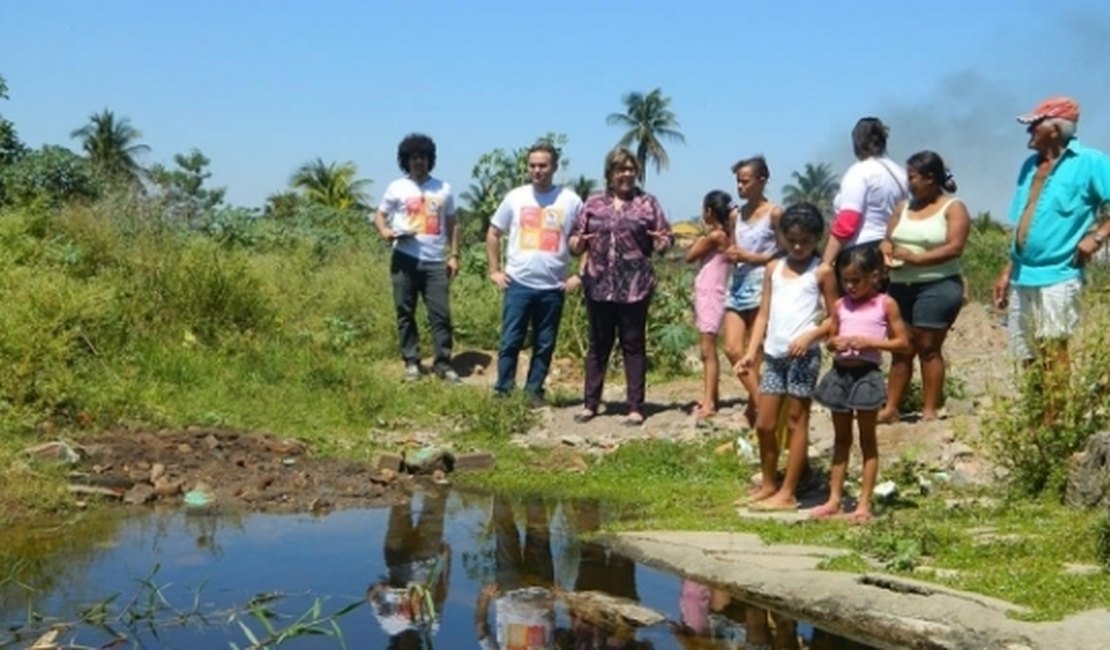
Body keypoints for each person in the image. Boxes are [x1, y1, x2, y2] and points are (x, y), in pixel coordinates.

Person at [993, 96, 1110, 399]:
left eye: (1035, 124)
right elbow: (1021, 220)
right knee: (1027, 349)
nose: (1029, 131)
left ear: (1055, 129)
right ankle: (1037, 414)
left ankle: (1054, 420)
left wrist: (1097, 237)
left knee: (1053, 345)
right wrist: (1007, 271)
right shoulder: (1029, 167)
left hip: (1060, 272)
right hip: (1022, 274)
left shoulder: (1090, 162)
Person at [737, 203, 838, 511]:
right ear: (782, 236)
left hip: (803, 357)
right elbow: (764, 313)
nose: (797, 247)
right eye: (791, 239)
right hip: (774, 355)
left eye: (804, 241)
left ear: (816, 239)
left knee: (797, 422)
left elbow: (835, 318)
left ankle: (788, 492)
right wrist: (751, 352)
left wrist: (810, 336)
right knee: (765, 423)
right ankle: (769, 483)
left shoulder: (821, 271)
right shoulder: (773, 269)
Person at [568, 147, 673, 426]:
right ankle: (590, 404)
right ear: (609, 174)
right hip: (599, 283)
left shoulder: (648, 203)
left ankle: (635, 407)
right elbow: (576, 240)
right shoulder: (592, 203)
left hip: (635, 285)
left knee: (633, 344)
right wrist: (577, 244)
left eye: (630, 169)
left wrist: (661, 243)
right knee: (599, 345)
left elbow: (665, 237)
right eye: (620, 169)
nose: (626, 174)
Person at [810, 245, 910, 524]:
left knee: (867, 440)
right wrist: (835, 343)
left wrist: (871, 343)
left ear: (874, 276)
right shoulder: (841, 305)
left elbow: (902, 342)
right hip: (840, 374)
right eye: (846, 280)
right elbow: (830, 339)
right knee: (841, 440)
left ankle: (863, 503)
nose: (850, 286)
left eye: (857, 280)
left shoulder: (885, 304)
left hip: (867, 375)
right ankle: (834, 499)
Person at [486, 142, 584, 406]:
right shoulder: (515, 197)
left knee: (544, 343)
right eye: (532, 165)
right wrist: (494, 270)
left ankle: (533, 392)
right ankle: (503, 391)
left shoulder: (571, 200)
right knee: (510, 340)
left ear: (554, 167)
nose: (537, 170)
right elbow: (494, 233)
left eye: (543, 165)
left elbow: (587, 239)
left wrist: (580, 275)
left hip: (553, 286)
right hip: (518, 283)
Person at [878, 151, 970, 423]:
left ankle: (929, 410)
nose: (909, 183)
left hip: (937, 285)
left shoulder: (953, 208)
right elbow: (888, 238)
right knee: (901, 348)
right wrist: (886, 251)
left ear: (930, 179)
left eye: (913, 177)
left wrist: (918, 259)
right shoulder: (903, 207)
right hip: (900, 286)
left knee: (928, 347)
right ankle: (892, 407)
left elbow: (955, 247)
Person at [374, 133, 461, 383]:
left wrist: (454, 255)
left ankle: (443, 363)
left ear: (429, 159)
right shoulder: (396, 187)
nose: (418, 162)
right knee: (405, 311)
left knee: (440, 314)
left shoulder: (443, 188)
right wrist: (385, 232)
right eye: (413, 158)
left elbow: (453, 224)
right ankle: (411, 362)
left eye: (422, 157)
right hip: (404, 258)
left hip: (435, 261)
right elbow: (380, 215)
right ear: (406, 161)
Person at [722, 156, 783, 426]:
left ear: (761, 181)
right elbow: (735, 246)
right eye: (738, 181)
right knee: (733, 348)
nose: (740, 187)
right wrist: (733, 254)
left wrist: (752, 257)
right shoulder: (736, 215)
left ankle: (755, 409)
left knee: (755, 351)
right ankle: (762, 404)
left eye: (745, 181)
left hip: (762, 283)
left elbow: (784, 251)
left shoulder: (774, 213)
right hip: (737, 284)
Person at [367, 489, 451, 646]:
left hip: (396, 558)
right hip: (427, 557)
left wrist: (383, 587)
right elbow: (441, 593)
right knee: (435, 510)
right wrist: (445, 562)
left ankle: (404, 476)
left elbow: (371, 596)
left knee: (400, 506)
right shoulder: (429, 627)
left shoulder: (389, 626)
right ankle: (438, 476)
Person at [823, 117, 908, 267]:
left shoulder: (859, 172)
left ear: (857, 143)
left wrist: (826, 262)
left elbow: (848, 221)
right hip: (891, 251)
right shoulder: (901, 173)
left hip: (861, 254)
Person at [686, 190, 732, 419]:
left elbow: (690, 255)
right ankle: (711, 396)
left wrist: (700, 237)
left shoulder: (715, 236)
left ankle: (709, 403)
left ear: (709, 211)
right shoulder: (725, 235)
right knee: (709, 349)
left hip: (710, 294)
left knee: (707, 350)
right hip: (712, 293)